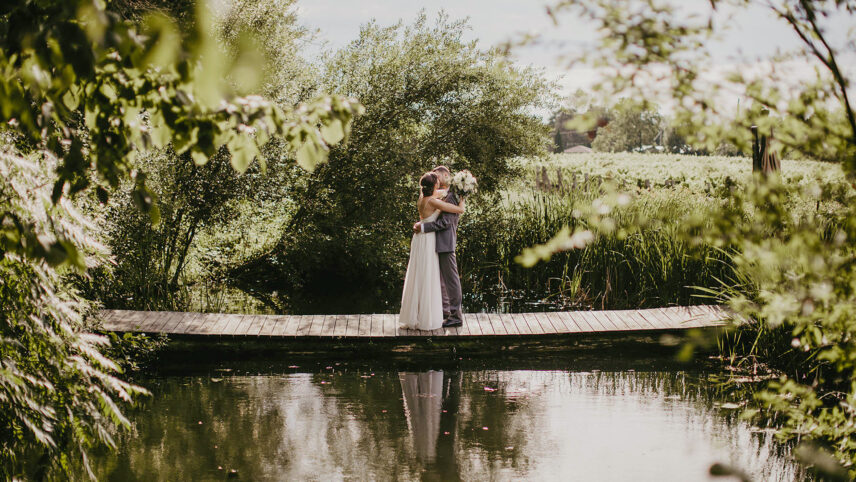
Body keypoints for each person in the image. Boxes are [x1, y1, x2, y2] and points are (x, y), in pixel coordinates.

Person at [399, 172, 465, 330]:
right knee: (429, 277)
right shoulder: (435, 201)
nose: (438, 181)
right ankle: (435, 314)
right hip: (428, 240)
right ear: (435, 185)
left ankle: (436, 314)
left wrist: (462, 192)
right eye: (436, 179)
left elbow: (446, 220)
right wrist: (462, 200)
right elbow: (458, 211)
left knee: (422, 276)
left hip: (424, 240)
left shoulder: (423, 197)